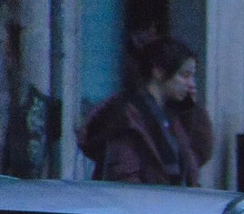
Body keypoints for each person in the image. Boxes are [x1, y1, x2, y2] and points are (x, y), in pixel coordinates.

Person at [77, 32, 213, 186]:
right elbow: (124, 176)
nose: (191, 84)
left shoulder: (170, 115)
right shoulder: (126, 116)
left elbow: (199, 153)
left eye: (192, 76)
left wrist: (192, 109)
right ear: (158, 72)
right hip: (144, 206)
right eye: (184, 75)